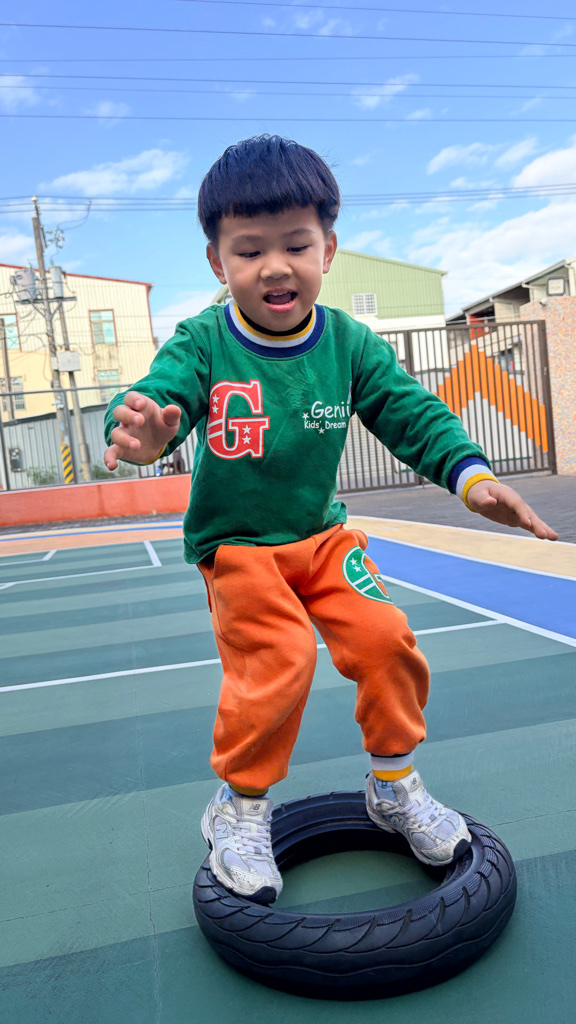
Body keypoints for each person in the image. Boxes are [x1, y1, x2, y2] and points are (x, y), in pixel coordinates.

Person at [103, 135, 557, 906]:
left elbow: (410, 412)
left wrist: (472, 477)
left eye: (295, 245)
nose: (274, 267)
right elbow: (158, 397)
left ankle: (394, 785)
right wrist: (144, 432)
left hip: (321, 539)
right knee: (278, 661)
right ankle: (240, 807)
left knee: (386, 640)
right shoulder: (204, 341)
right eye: (249, 251)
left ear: (329, 249)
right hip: (239, 548)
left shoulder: (347, 343)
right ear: (217, 262)